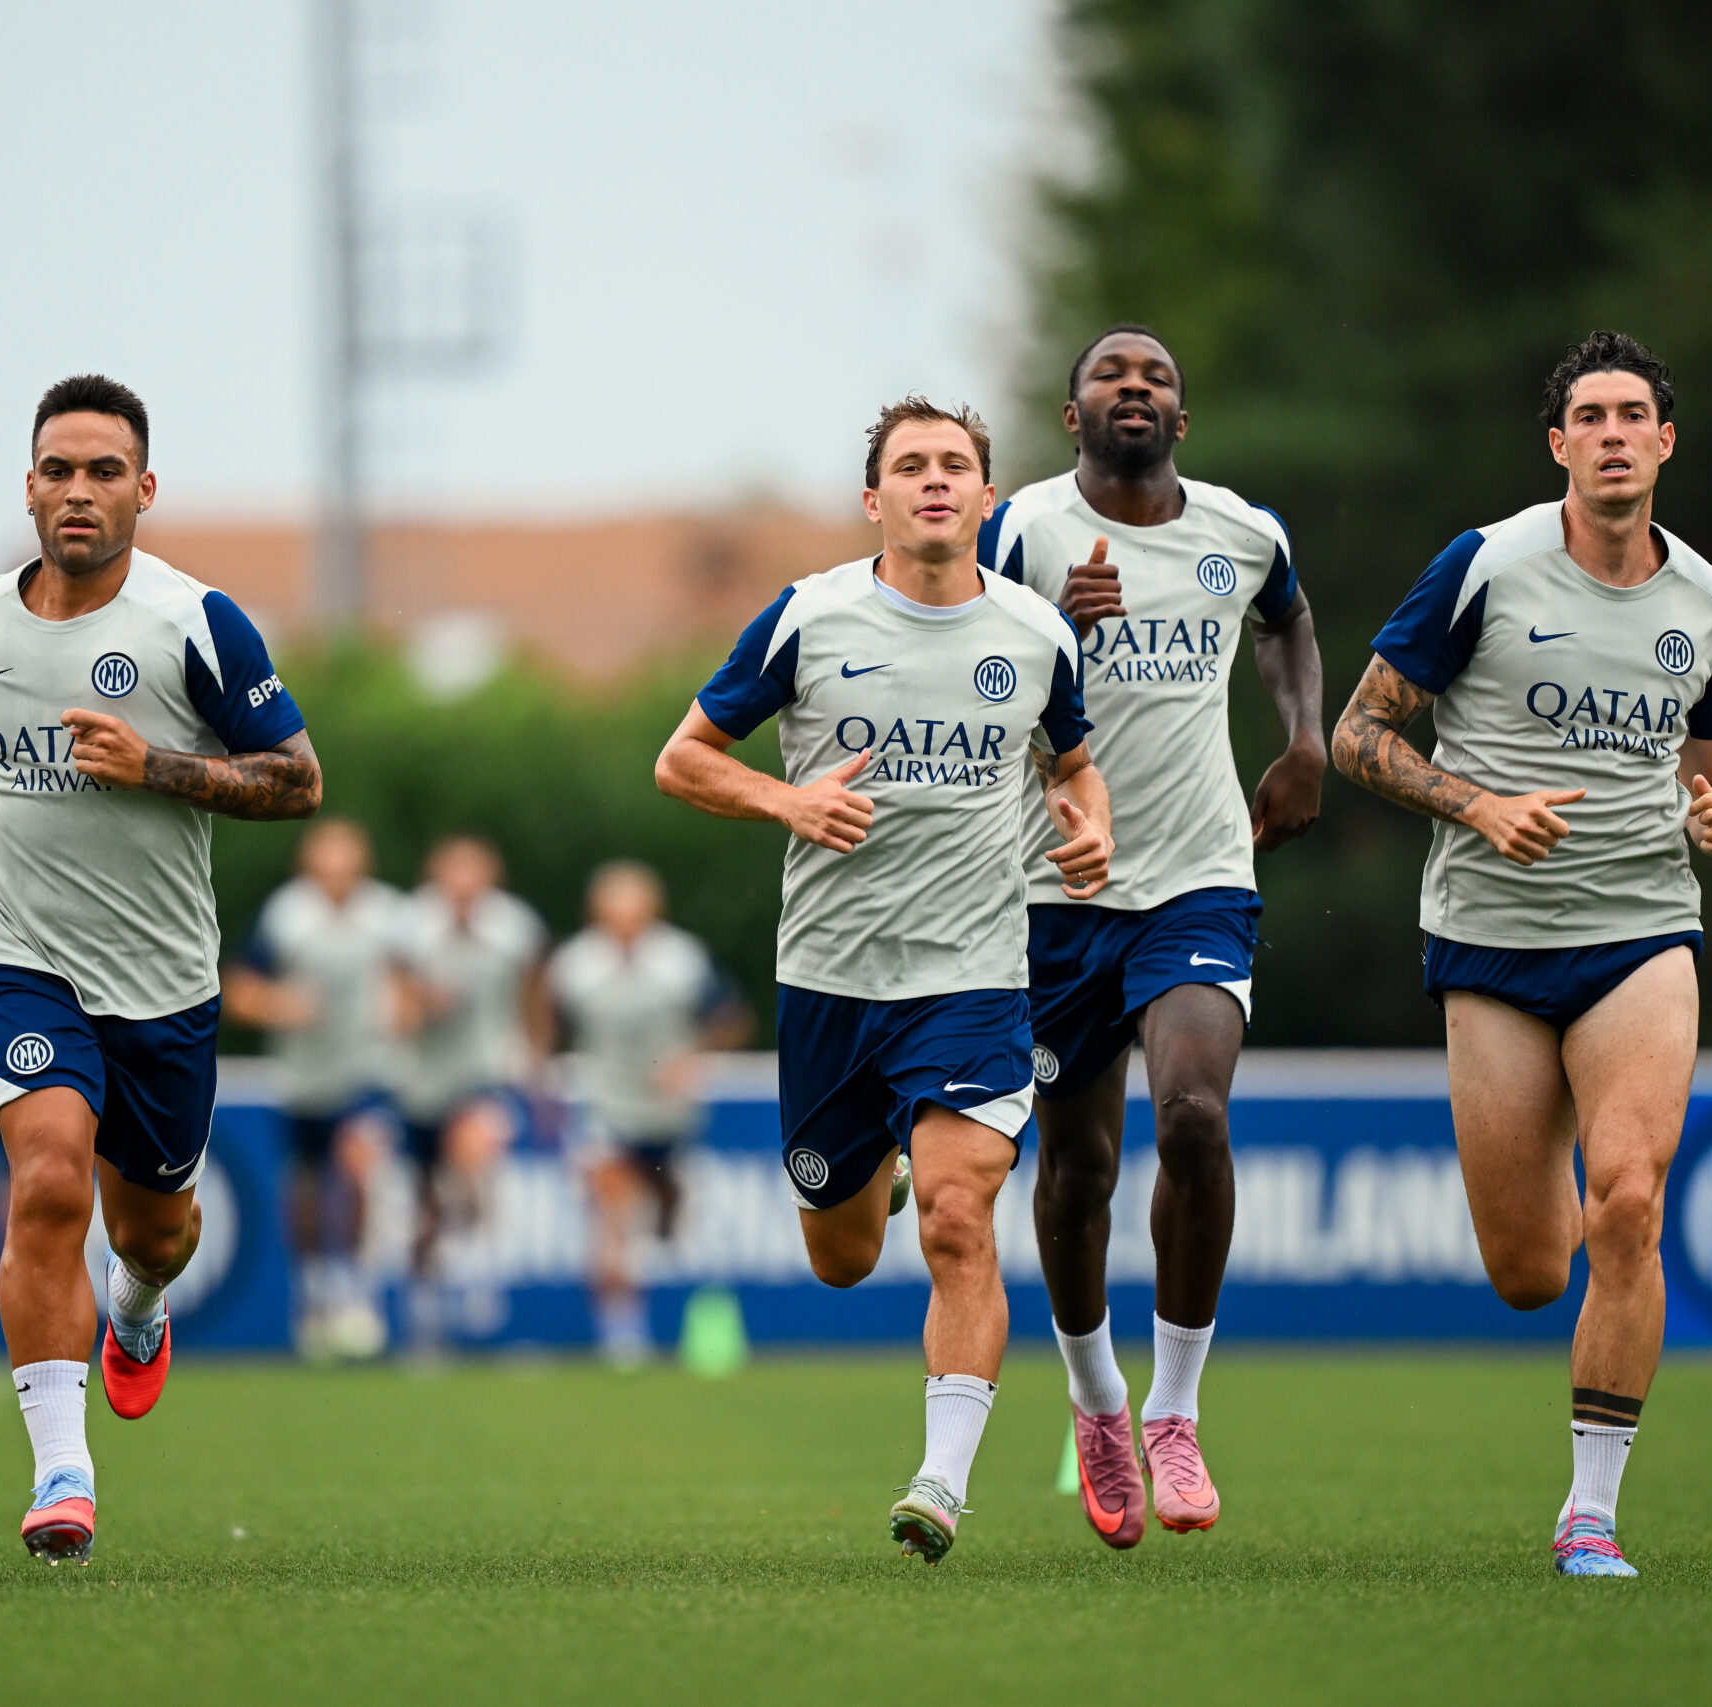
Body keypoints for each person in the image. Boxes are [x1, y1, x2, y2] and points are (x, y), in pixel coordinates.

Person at [655, 397, 1112, 1562]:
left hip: (973, 979)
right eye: (910, 466)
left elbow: (1073, 765)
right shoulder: (806, 618)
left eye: (954, 463)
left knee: (960, 1220)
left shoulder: (1035, 632)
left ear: (986, 497)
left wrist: (1091, 826)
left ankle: (939, 1484)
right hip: (830, 982)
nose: (934, 480)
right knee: (844, 1257)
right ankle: (881, 1169)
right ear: (874, 500)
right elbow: (683, 759)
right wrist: (787, 800)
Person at [1330, 331, 1712, 1578]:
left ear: (1665, 442)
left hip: (1641, 933)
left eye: (1633, 415)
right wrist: (1476, 805)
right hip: (1492, 940)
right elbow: (1357, 734)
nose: (1613, 434)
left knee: (1630, 1201)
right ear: (1558, 444)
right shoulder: (1485, 567)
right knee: (1525, 1272)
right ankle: (1564, 1180)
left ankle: (1590, 1513)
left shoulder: (1710, 605)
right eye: (1590, 417)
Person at [0, 374, 320, 1566]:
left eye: (102, 472)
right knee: (44, 1181)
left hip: (162, 983)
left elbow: (298, 781)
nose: (77, 491)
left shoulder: (197, 623)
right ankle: (60, 1472)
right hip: (14, 958)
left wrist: (158, 768)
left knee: (156, 1232)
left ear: (144, 489)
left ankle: (138, 1308)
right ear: (29, 487)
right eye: (58, 470)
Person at [977, 324, 1325, 1545]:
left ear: (1182, 417)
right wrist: (1042, 624)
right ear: (1072, 415)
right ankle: (1096, 1403)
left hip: (1196, 878)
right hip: (1052, 891)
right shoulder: (1019, 532)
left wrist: (1305, 739)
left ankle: (1174, 1412)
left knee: (1192, 1117)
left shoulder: (1242, 532)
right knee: (1077, 1170)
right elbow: (953, 656)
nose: (1135, 386)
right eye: (1110, 376)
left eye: (1158, 377)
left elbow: (1286, 621)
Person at [547, 859, 748, 1365]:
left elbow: (731, 1018)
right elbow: (544, 1021)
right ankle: (623, 1334)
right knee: (615, 1213)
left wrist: (693, 1057)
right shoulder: (575, 965)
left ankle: (670, 1296)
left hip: (669, 1111)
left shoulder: (682, 960)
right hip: (608, 1106)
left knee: (666, 1219)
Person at [223, 818, 405, 1360]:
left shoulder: (388, 915)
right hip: (303, 1077)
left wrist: (407, 1010)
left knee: (358, 1167)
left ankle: (355, 1290)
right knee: (305, 1191)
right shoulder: (287, 915)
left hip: (367, 1069)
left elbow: (413, 983)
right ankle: (314, 1291)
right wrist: (283, 1005)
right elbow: (239, 990)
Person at [392, 834, 548, 1354]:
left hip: (483, 1073)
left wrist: (535, 1054)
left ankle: (480, 1274)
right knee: (425, 1205)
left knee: (476, 1153)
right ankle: (424, 1313)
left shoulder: (514, 927)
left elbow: (535, 991)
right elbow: (394, 1006)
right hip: (420, 1083)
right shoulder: (409, 926)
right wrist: (424, 1004)